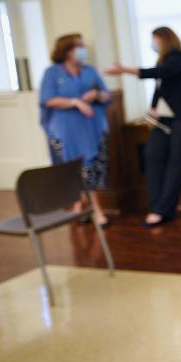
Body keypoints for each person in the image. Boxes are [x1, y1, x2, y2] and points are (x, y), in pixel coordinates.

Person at [105, 27, 181, 227]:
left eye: (155, 40)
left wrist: (126, 70)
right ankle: (156, 206)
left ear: (164, 40)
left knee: (176, 161)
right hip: (168, 117)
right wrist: (152, 109)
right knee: (152, 153)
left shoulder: (178, 57)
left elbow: (160, 73)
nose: (153, 44)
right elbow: (161, 86)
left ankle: (163, 210)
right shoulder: (164, 60)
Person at [39, 33, 112, 226]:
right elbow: (48, 99)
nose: (83, 49)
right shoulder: (52, 73)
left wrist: (95, 94)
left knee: (93, 168)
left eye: (83, 45)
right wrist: (75, 102)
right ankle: (95, 208)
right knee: (77, 169)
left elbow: (106, 95)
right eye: (78, 46)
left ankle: (81, 204)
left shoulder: (90, 71)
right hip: (65, 130)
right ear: (66, 50)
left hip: (92, 127)